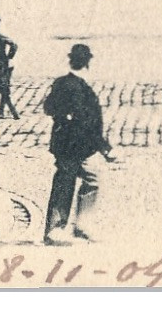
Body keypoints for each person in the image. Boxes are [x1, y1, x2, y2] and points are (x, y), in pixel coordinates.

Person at [42, 43, 115, 243]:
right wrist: (103, 146)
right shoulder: (72, 85)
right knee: (67, 182)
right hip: (72, 145)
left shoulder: (68, 83)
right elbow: (84, 120)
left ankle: (82, 225)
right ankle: (54, 230)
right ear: (87, 62)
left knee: (90, 179)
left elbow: (47, 107)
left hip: (79, 145)